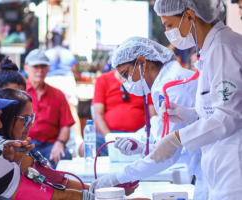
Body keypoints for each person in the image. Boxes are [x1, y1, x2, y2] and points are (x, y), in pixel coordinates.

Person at [89, 36, 209, 199]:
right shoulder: (162, 85)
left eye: (126, 74)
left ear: (141, 62)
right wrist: (142, 146)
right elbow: (171, 143)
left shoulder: (172, 86)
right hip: (205, 167)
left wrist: (118, 177)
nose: (126, 83)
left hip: (216, 169)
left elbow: (166, 156)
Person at [149, 0, 242, 199]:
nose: (168, 32)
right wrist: (189, 115)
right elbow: (219, 108)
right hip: (222, 168)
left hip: (235, 171)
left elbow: (229, 117)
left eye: (169, 25)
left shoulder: (223, 47)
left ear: (190, 16)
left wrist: (176, 139)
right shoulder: (210, 49)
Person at [24, 49, 74, 168]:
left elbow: (65, 126)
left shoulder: (58, 94)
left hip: (50, 144)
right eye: (35, 66)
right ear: (26, 69)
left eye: (43, 66)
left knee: (65, 156)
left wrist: (60, 143)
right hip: (26, 143)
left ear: (48, 68)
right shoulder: (20, 92)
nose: (40, 70)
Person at [92, 69, 155, 156]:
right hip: (110, 134)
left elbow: (153, 116)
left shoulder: (144, 80)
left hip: (139, 135)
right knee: (85, 148)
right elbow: (98, 115)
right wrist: (110, 138)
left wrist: (144, 135)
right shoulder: (102, 80)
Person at [44, 26, 83, 155]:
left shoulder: (46, 53)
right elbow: (73, 66)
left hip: (51, 81)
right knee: (72, 111)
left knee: (52, 112)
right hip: (67, 81)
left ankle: (56, 138)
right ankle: (78, 139)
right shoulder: (68, 54)